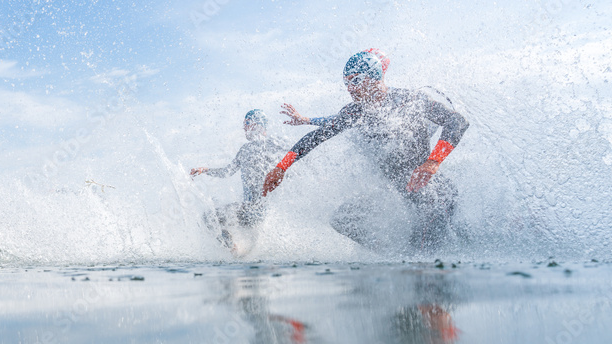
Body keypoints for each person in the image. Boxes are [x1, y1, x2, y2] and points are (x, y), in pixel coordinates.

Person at [262, 49, 470, 254]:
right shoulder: (354, 112)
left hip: (433, 194)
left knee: (424, 254)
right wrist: (281, 167)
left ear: (374, 76)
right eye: (346, 83)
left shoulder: (410, 100)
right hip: (402, 195)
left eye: (355, 80)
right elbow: (316, 137)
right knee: (343, 219)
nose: (350, 89)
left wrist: (433, 161)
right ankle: (389, 256)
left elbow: (457, 121)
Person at [191, 109, 287, 250]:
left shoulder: (271, 144)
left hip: (254, 209)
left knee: (209, 218)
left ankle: (232, 248)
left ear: (257, 124)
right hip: (256, 211)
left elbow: (290, 161)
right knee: (249, 254)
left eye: (247, 123)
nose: (244, 127)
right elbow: (227, 172)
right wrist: (205, 170)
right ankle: (237, 250)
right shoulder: (246, 149)